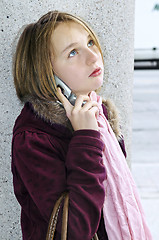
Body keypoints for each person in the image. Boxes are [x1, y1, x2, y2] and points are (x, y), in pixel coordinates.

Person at [11, 11, 152, 240]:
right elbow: (76, 229)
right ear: (46, 73)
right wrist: (86, 138)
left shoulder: (98, 114)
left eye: (90, 42)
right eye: (73, 52)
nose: (93, 57)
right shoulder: (34, 137)